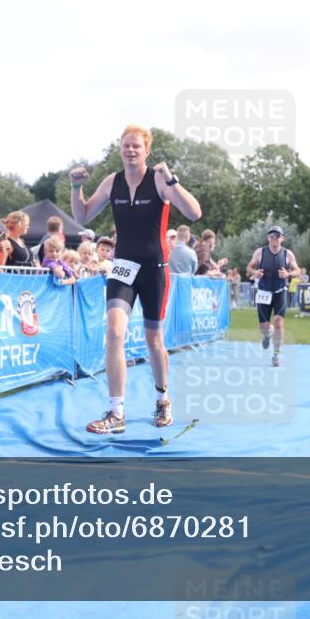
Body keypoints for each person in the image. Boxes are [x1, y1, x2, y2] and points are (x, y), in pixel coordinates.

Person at [70, 124, 202, 435]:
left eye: (137, 146)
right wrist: (76, 189)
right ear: (120, 149)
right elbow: (82, 216)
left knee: (154, 339)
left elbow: (194, 213)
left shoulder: (158, 179)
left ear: (146, 151)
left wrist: (171, 179)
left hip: (155, 269)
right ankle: (116, 412)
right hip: (123, 268)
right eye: (126, 145)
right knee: (114, 332)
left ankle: (162, 399)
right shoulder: (111, 181)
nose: (131, 150)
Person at [246, 225, 300, 367]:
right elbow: (249, 267)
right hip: (263, 292)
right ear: (268, 238)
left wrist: (288, 275)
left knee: (278, 323)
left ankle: (276, 355)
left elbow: (297, 270)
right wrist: (254, 273)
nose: (274, 239)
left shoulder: (287, 254)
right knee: (264, 327)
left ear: (282, 238)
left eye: (277, 236)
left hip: (279, 292)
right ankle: (267, 334)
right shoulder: (260, 252)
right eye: (271, 236)